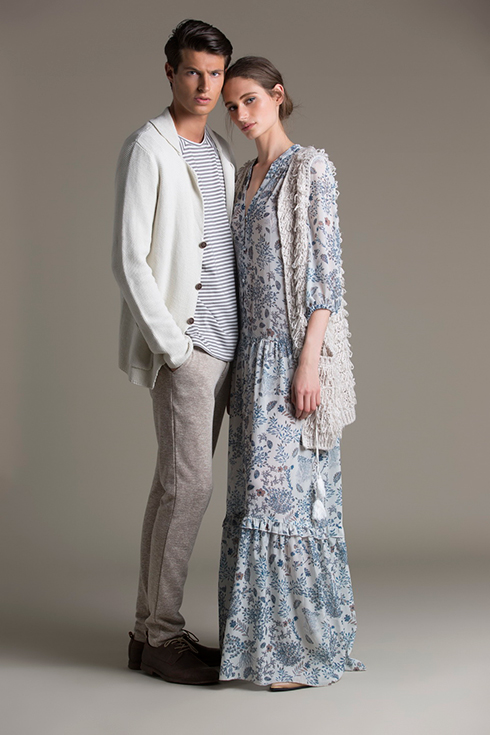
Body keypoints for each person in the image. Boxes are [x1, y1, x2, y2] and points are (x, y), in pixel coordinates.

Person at [218, 57, 365, 691]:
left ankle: (302, 650)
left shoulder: (309, 169)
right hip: (250, 360)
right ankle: (258, 649)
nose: (240, 115)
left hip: (291, 355)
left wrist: (309, 361)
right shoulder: (242, 177)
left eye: (250, 100)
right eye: (232, 106)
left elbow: (326, 273)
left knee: (289, 502)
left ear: (278, 96)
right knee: (251, 501)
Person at [112, 19, 237, 686]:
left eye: (215, 74)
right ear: (170, 72)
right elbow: (129, 258)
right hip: (189, 348)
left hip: (230, 346)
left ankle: (146, 633)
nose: (205, 85)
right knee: (190, 486)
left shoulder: (219, 151)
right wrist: (174, 348)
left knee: (171, 486)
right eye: (193, 71)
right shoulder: (148, 147)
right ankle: (164, 635)